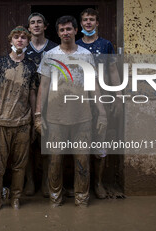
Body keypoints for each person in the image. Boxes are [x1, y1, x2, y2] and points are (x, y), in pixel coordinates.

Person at [35, 15, 107, 207]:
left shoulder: (86, 55)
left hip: (82, 116)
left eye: (69, 29)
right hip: (55, 118)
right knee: (55, 160)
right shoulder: (50, 55)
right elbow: (43, 86)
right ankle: (55, 197)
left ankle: (81, 199)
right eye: (62, 30)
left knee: (82, 160)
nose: (65, 33)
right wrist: (38, 115)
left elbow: (94, 86)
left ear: (76, 31)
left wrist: (102, 113)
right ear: (58, 33)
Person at [0, 26, 37, 212]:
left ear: (28, 41)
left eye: (23, 37)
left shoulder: (30, 66)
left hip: (22, 123)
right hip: (0, 122)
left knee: (20, 166)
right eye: (16, 37)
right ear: (10, 40)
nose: (20, 40)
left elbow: (32, 95)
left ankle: (15, 198)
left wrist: (36, 119)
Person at [76, 8, 123, 199]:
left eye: (92, 19)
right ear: (80, 24)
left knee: (100, 143)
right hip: (79, 100)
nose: (88, 22)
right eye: (85, 20)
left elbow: (112, 71)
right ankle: (82, 183)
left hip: (102, 98)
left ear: (97, 23)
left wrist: (119, 95)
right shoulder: (75, 45)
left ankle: (99, 183)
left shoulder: (106, 45)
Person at [24, 12, 58, 197]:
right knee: (28, 145)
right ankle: (30, 181)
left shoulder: (55, 48)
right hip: (25, 103)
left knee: (48, 145)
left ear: (45, 26)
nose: (36, 25)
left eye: (39, 22)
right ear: (28, 28)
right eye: (32, 23)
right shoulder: (22, 48)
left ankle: (46, 181)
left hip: (49, 103)